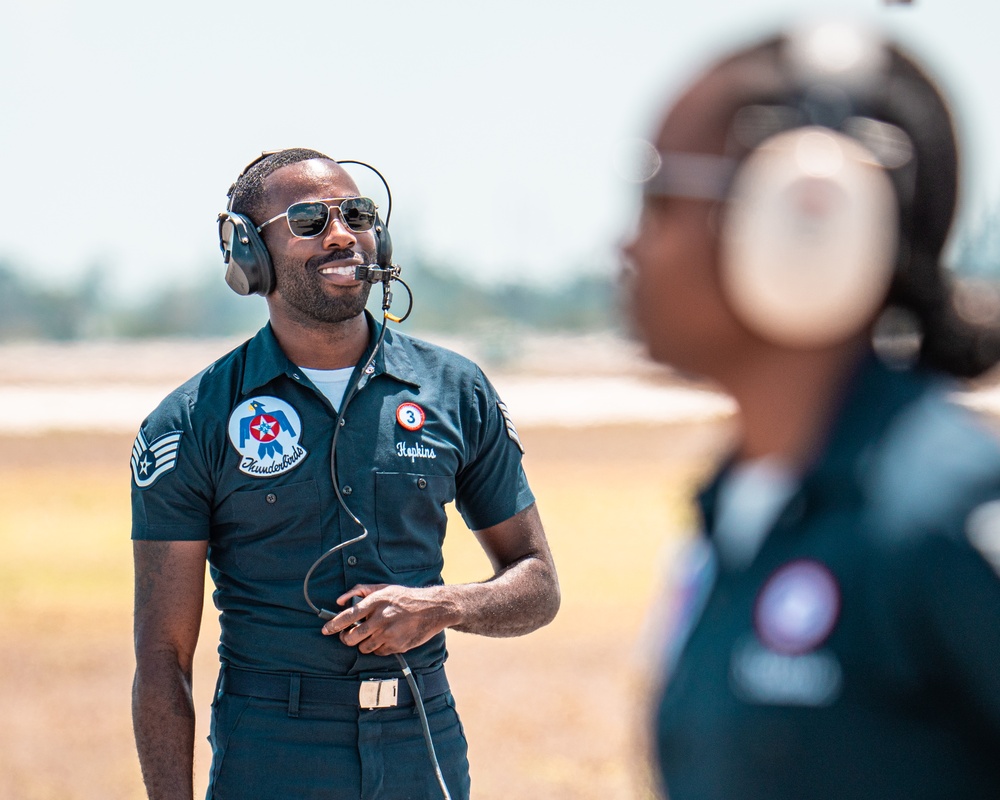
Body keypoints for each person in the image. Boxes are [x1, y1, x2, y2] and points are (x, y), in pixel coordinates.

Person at [623, 19, 1000, 800]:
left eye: (660, 196)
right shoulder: (740, 512)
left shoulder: (944, 516)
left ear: (802, 215)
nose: (630, 246)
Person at [130, 148, 560, 800]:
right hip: (270, 752)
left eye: (357, 214)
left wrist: (440, 607)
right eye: (307, 220)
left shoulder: (456, 391)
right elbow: (163, 662)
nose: (341, 233)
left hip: (424, 741)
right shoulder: (191, 422)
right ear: (249, 254)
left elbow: (538, 583)